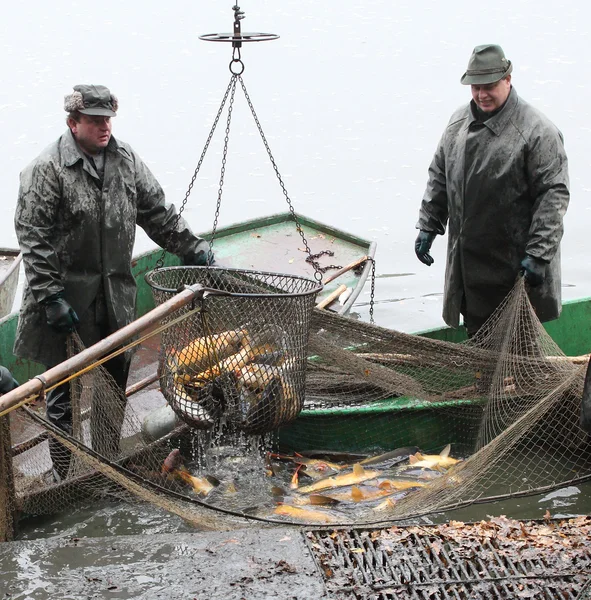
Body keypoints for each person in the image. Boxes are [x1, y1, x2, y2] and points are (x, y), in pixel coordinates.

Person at [14, 84, 211, 481]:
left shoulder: (125, 160)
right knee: (62, 392)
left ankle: (104, 464)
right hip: (65, 301)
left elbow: (158, 214)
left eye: (108, 119)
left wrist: (194, 249)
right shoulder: (46, 169)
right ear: (73, 123)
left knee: (112, 382)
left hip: (115, 296)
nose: (104, 127)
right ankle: (65, 474)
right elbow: (32, 238)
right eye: (95, 120)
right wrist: (51, 297)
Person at [415, 44, 569, 338]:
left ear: (508, 80)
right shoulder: (457, 123)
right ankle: (485, 382)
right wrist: (429, 224)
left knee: (519, 345)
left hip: (516, 266)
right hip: (468, 263)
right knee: (478, 334)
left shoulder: (537, 131)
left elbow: (554, 195)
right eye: (475, 87)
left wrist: (539, 254)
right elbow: (439, 175)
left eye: (489, 86)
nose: (481, 94)